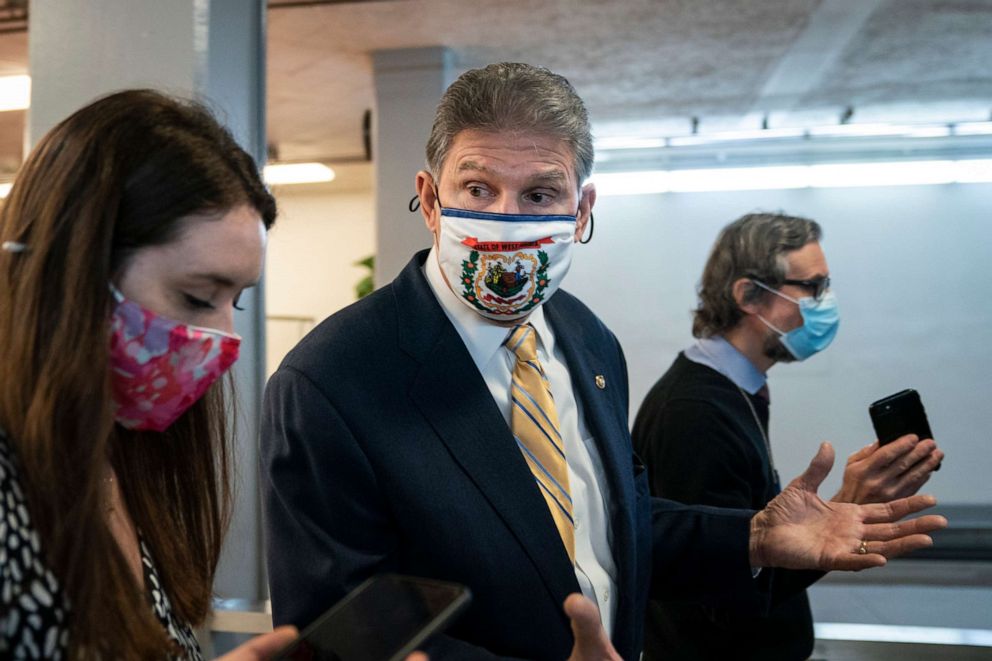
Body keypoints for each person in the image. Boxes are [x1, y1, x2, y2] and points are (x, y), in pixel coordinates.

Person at [261, 63, 945, 661]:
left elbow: (617, 525)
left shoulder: (586, 340)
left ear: (581, 208)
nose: (507, 219)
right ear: (432, 199)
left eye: (539, 194)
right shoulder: (330, 381)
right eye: (478, 189)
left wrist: (756, 536)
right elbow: (336, 635)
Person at [0, 90, 297, 659]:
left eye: (234, 303)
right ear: (75, 266)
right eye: (197, 295)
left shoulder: (121, 460)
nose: (225, 337)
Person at [631, 212, 945, 660]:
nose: (826, 301)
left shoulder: (737, 389)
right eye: (813, 288)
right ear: (749, 297)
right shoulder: (694, 412)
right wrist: (845, 505)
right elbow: (724, 598)